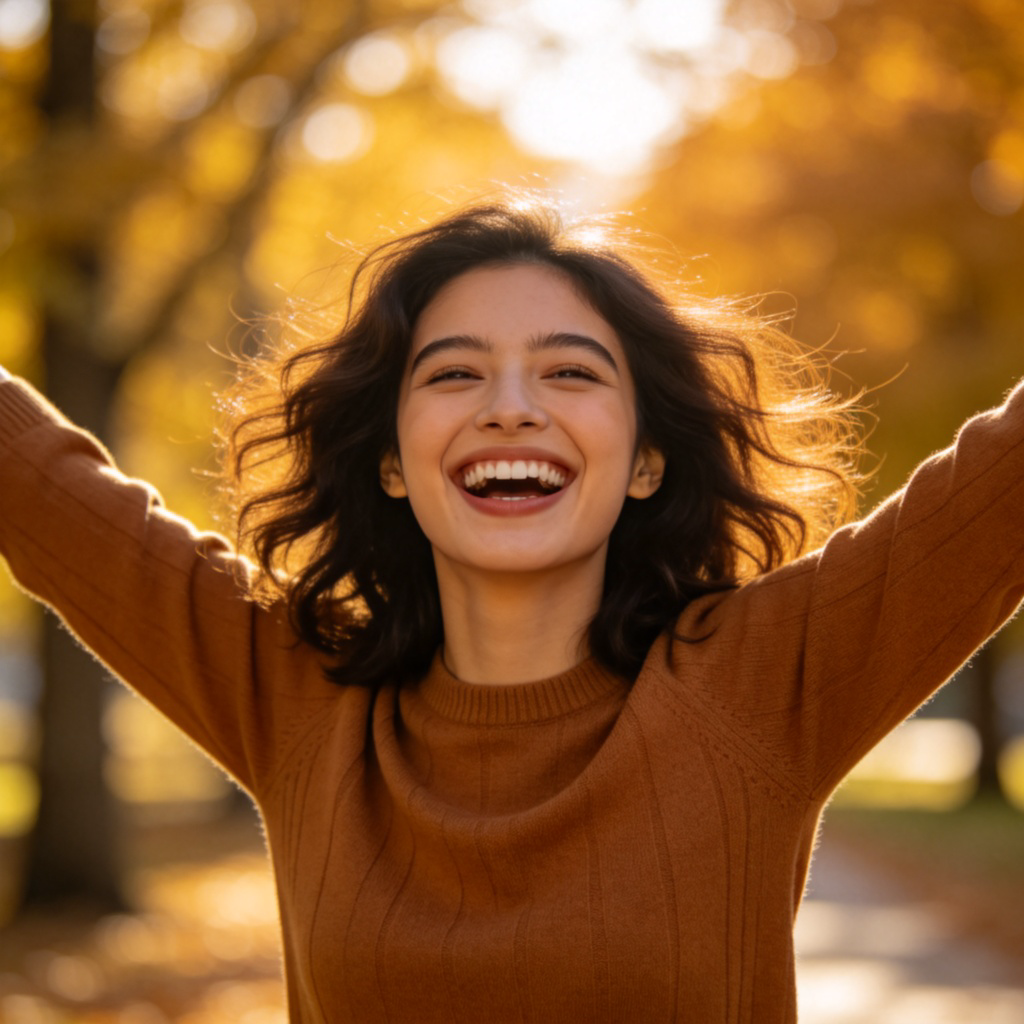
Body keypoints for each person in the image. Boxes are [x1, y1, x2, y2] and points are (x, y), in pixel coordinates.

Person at [1, 195, 1022, 1023]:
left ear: (646, 460)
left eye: (569, 371)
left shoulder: (754, 687)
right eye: (455, 373)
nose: (510, 408)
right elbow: (38, 483)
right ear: (392, 462)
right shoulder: (302, 701)